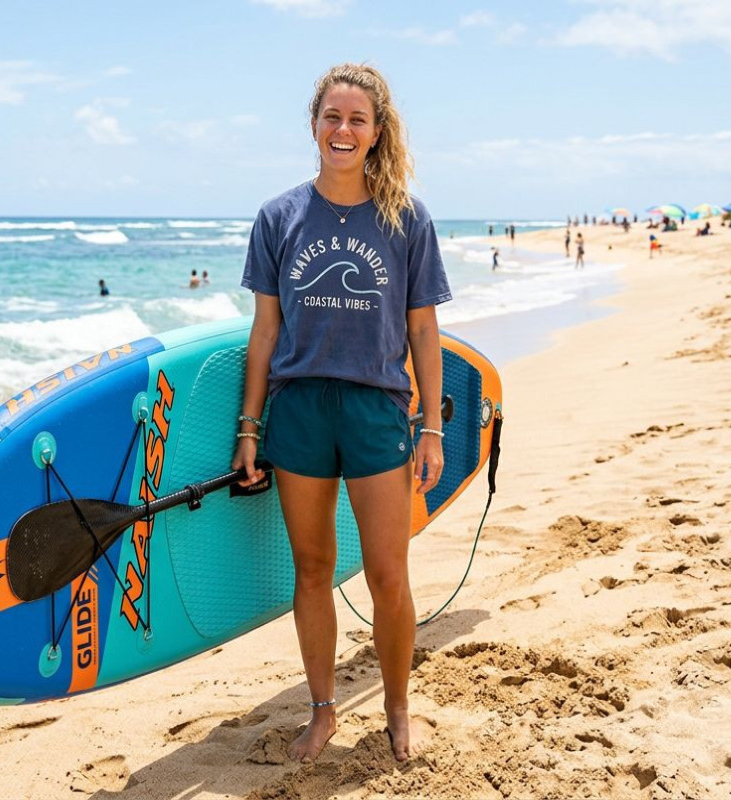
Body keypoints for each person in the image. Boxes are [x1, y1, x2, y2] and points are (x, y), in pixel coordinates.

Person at [233, 62, 450, 765]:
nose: (343, 130)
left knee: (389, 575)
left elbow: (422, 331)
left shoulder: (407, 219)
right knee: (312, 568)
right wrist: (249, 426)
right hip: (299, 410)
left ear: (377, 132)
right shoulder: (279, 217)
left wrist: (433, 428)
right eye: (332, 117)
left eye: (357, 120)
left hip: (374, 408)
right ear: (314, 123)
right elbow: (264, 331)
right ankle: (323, 710)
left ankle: (396, 708)